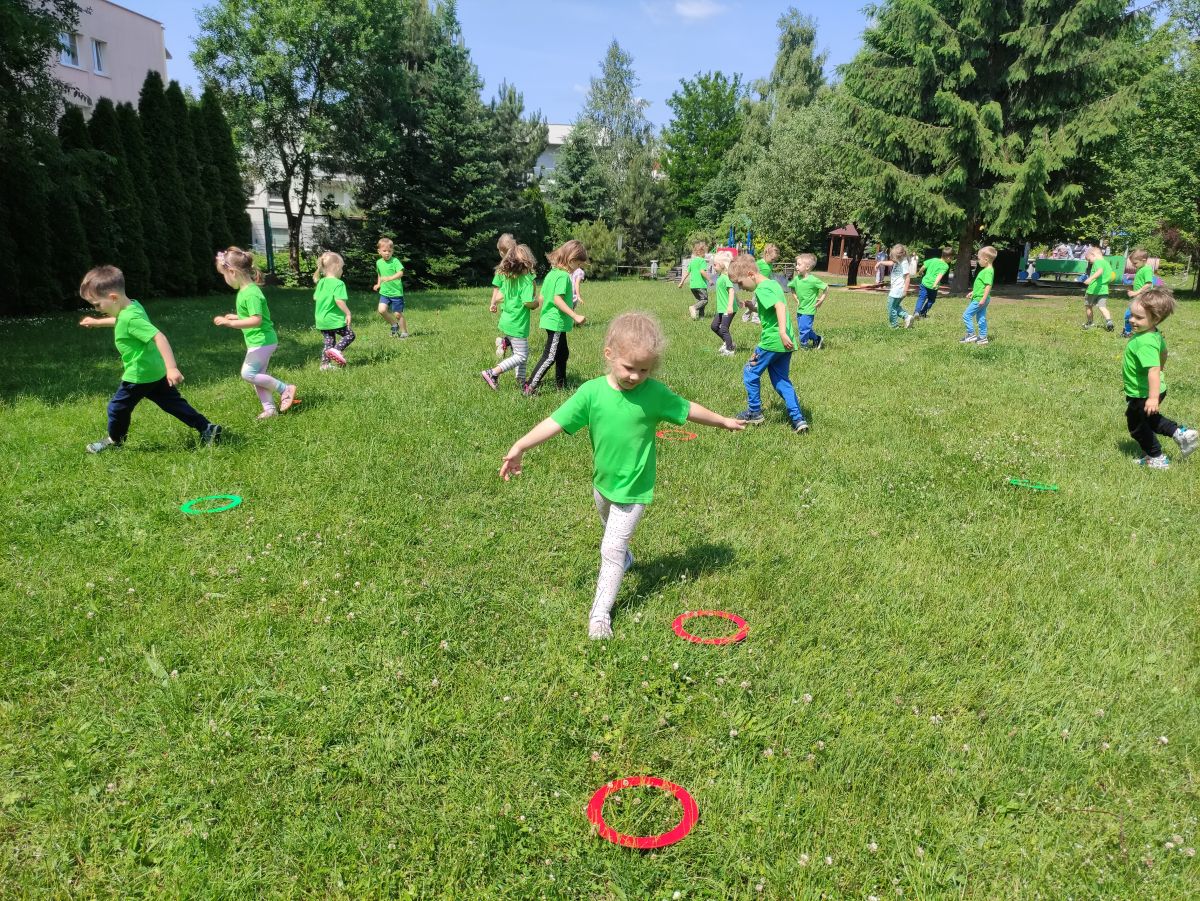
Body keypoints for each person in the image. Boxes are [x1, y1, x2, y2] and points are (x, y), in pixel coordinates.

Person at [500, 312, 744, 638]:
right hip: (602, 485)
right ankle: (625, 557)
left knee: (611, 549)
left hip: (634, 488)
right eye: (629, 367)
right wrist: (520, 446)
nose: (635, 376)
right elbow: (555, 422)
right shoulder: (591, 393)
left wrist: (723, 421)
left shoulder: (654, 394)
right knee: (611, 535)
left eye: (644, 370)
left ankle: (600, 615)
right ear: (609, 355)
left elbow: (687, 409)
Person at [78, 265, 221, 452]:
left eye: (97, 304)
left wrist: (172, 368)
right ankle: (206, 427)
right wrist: (98, 322)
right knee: (174, 404)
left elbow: (158, 337)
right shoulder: (132, 306)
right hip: (154, 370)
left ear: (113, 298)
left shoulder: (129, 318)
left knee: (117, 408)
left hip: (139, 374)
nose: (96, 309)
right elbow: (121, 321)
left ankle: (115, 441)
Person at [212, 246, 297, 419]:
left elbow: (256, 320)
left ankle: (285, 389)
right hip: (258, 340)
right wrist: (237, 317)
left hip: (262, 341)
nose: (225, 279)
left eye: (224, 275)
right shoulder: (246, 291)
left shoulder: (250, 294)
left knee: (248, 374)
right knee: (258, 377)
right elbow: (252, 316)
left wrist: (230, 323)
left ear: (233, 272)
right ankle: (270, 410)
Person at [728, 253, 808, 432]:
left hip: (773, 341)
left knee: (750, 372)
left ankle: (754, 412)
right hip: (785, 344)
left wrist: (781, 332)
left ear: (750, 274)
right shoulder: (773, 284)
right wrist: (754, 308)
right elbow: (774, 307)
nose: (740, 287)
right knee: (781, 381)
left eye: (740, 283)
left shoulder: (762, 289)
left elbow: (780, 306)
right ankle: (798, 419)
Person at [1123, 287, 1198, 468]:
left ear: (1155, 319)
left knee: (1137, 426)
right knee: (1150, 420)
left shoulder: (1144, 342)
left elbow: (1153, 370)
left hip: (1144, 392)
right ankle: (1180, 433)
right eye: (1131, 315)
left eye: (1138, 317)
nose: (1132, 320)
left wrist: (1152, 398)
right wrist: (1161, 368)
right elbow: (1164, 353)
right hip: (1153, 389)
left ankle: (1156, 457)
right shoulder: (1154, 334)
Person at [526, 240, 588, 395]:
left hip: (552, 320)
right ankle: (529, 387)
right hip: (556, 322)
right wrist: (575, 316)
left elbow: (542, 296)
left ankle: (561, 384)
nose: (578, 268)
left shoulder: (552, 274)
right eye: (578, 265)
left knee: (562, 353)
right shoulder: (563, 276)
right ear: (571, 260)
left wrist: (541, 309)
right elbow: (557, 299)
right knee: (550, 356)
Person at [481, 243, 539, 390]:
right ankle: (493, 373)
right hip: (518, 324)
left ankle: (521, 381)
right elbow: (527, 302)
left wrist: (494, 303)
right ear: (527, 261)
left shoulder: (508, 278)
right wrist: (536, 303)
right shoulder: (526, 280)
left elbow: (500, 295)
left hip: (508, 321)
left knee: (520, 353)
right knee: (521, 355)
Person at [313, 251, 354, 369]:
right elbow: (339, 300)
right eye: (341, 268)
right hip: (333, 318)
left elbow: (315, 297)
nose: (342, 271)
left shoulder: (321, 282)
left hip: (321, 319)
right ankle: (336, 350)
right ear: (336, 266)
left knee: (329, 341)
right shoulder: (339, 283)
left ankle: (325, 365)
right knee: (350, 335)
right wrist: (348, 313)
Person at [788, 253, 827, 349]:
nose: (796, 267)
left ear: (807, 267)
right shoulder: (796, 279)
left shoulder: (813, 280)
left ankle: (804, 346)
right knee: (804, 328)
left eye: (799, 264)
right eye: (796, 264)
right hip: (800, 308)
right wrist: (796, 298)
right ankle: (817, 338)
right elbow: (792, 287)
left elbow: (826, 288)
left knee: (804, 329)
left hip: (809, 309)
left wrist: (821, 300)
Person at [961, 245, 996, 345]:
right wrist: (973, 292)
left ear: (986, 259)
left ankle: (971, 334)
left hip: (980, 299)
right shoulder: (988, 270)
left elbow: (988, 286)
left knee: (966, 315)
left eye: (979, 259)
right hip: (980, 297)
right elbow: (981, 286)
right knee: (981, 318)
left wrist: (983, 299)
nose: (978, 261)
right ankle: (983, 337)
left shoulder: (987, 271)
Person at [372, 237, 407, 338]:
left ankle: (404, 333)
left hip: (396, 293)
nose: (387, 253)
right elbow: (380, 274)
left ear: (392, 251)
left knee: (397, 314)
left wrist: (390, 278)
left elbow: (400, 273)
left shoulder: (395, 261)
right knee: (381, 310)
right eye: (384, 251)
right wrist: (378, 284)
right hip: (384, 292)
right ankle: (394, 324)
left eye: (389, 251)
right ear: (379, 251)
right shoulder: (379, 262)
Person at [491, 233, 516, 357]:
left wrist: (493, 303)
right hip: (512, 306)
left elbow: (496, 289)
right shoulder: (502, 269)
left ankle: (504, 342)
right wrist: (493, 303)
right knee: (516, 331)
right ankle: (506, 344)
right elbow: (496, 288)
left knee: (513, 330)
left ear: (501, 252)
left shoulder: (513, 267)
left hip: (510, 306)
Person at [709, 250, 738, 356]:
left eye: (715, 265)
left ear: (722, 265)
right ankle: (728, 342)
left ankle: (730, 350)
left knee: (724, 329)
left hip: (728, 308)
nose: (713, 267)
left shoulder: (726, 277)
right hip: (721, 308)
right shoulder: (720, 276)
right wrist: (738, 300)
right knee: (714, 326)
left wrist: (730, 306)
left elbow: (731, 291)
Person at [1081, 246, 1116, 331]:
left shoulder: (1097, 262)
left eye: (1089, 260)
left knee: (1088, 306)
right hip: (1104, 289)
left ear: (1093, 255)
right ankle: (1109, 321)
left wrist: (1090, 278)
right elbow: (1111, 276)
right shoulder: (1107, 263)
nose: (1090, 262)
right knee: (1102, 307)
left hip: (1093, 289)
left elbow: (1099, 271)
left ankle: (1090, 323)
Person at [1122, 249, 1155, 338]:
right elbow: (1140, 282)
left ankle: (1129, 332)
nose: (1133, 265)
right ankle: (1128, 332)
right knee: (1131, 314)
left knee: (1131, 314)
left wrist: (1136, 292)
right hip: (1138, 297)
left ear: (1143, 260)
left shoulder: (1147, 269)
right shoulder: (1140, 268)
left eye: (1135, 263)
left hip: (1143, 297)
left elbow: (1148, 284)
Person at [915, 247, 952, 317]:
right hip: (933, 286)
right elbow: (940, 275)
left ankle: (916, 312)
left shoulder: (933, 259)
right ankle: (922, 313)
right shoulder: (945, 266)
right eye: (951, 258)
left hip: (924, 283)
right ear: (948, 257)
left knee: (921, 298)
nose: (951, 260)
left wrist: (920, 272)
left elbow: (924, 266)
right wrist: (935, 284)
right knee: (931, 300)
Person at [677, 241, 709, 320]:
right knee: (705, 300)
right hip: (700, 285)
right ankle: (693, 308)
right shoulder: (702, 261)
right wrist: (710, 280)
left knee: (700, 301)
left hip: (693, 286)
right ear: (702, 252)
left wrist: (681, 282)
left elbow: (687, 272)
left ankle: (701, 318)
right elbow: (702, 271)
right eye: (705, 252)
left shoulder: (692, 262)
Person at [886, 244, 915, 329]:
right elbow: (891, 263)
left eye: (894, 257)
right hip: (896, 288)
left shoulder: (904, 262)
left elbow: (907, 277)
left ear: (900, 255)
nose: (893, 259)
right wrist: (880, 263)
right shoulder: (899, 260)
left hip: (898, 289)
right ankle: (907, 317)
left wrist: (905, 291)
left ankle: (894, 325)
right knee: (895, 306)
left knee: (891, 307)